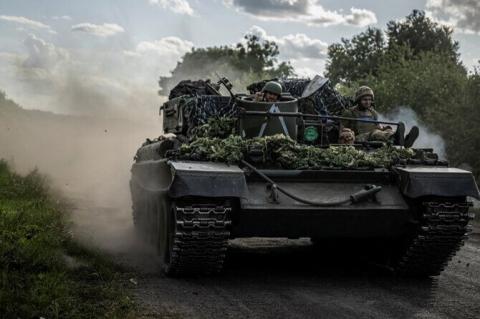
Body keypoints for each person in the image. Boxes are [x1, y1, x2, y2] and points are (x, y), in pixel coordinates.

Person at [340, 86, 419, 147]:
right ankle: (396, 138)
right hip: (358, 138)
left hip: (373, 136)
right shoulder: (349, 113)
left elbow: (378, 127)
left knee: (386, 131)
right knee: (375, 133)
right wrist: (348, 136)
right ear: (358, 100)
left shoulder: (373, 113)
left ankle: (404, 141)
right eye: (365, 100)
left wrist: (386, 129)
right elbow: (341, 132)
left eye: (369, 100)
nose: (368, 102)